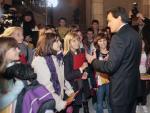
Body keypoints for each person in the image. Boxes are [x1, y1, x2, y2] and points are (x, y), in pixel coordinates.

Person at [86, 7, 141, 113]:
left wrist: (93, 61)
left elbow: (110, 67)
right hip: (133, 87)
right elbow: (128, 59)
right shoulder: (135, 34)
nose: (108, 24)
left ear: (119, 18)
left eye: (110, 20)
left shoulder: (118, 37)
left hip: (121, 90)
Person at [32, 33, 76, 112]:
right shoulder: (39, 61)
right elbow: (46, 88)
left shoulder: (55, 57)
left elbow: (62, 78)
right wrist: (60, 103)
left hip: (58, 99)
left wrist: (70, 92)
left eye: (59, 40)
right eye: (56, 41)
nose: (60, 43)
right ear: (48, 43)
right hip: (48, 102)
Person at [64, 32, 90, 113]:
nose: (77, 42)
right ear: (68, 43)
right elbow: (68, 76)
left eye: (78, 40)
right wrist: (81, 69)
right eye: (74, 41)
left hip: (82, 82)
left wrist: (85, 72)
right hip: (73, 86)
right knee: (74, 107)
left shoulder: (81, 51)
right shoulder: (67, 57)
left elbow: (85, 65)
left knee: (80, 104)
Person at [0, 37, 24, 113]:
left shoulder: (15, 66)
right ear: (3, 51)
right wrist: (19, 84)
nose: (19, 50)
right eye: (14, 48)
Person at [94, 33, 111, 113]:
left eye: (104, 40)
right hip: (99, 80)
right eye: (100, 41)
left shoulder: (112, 52)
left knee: (110, 101)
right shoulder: (95, 53)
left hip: (110, 80)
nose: (103, 42)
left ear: (107, 41)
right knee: (99, 101)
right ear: (97, 43)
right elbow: (92, 68)